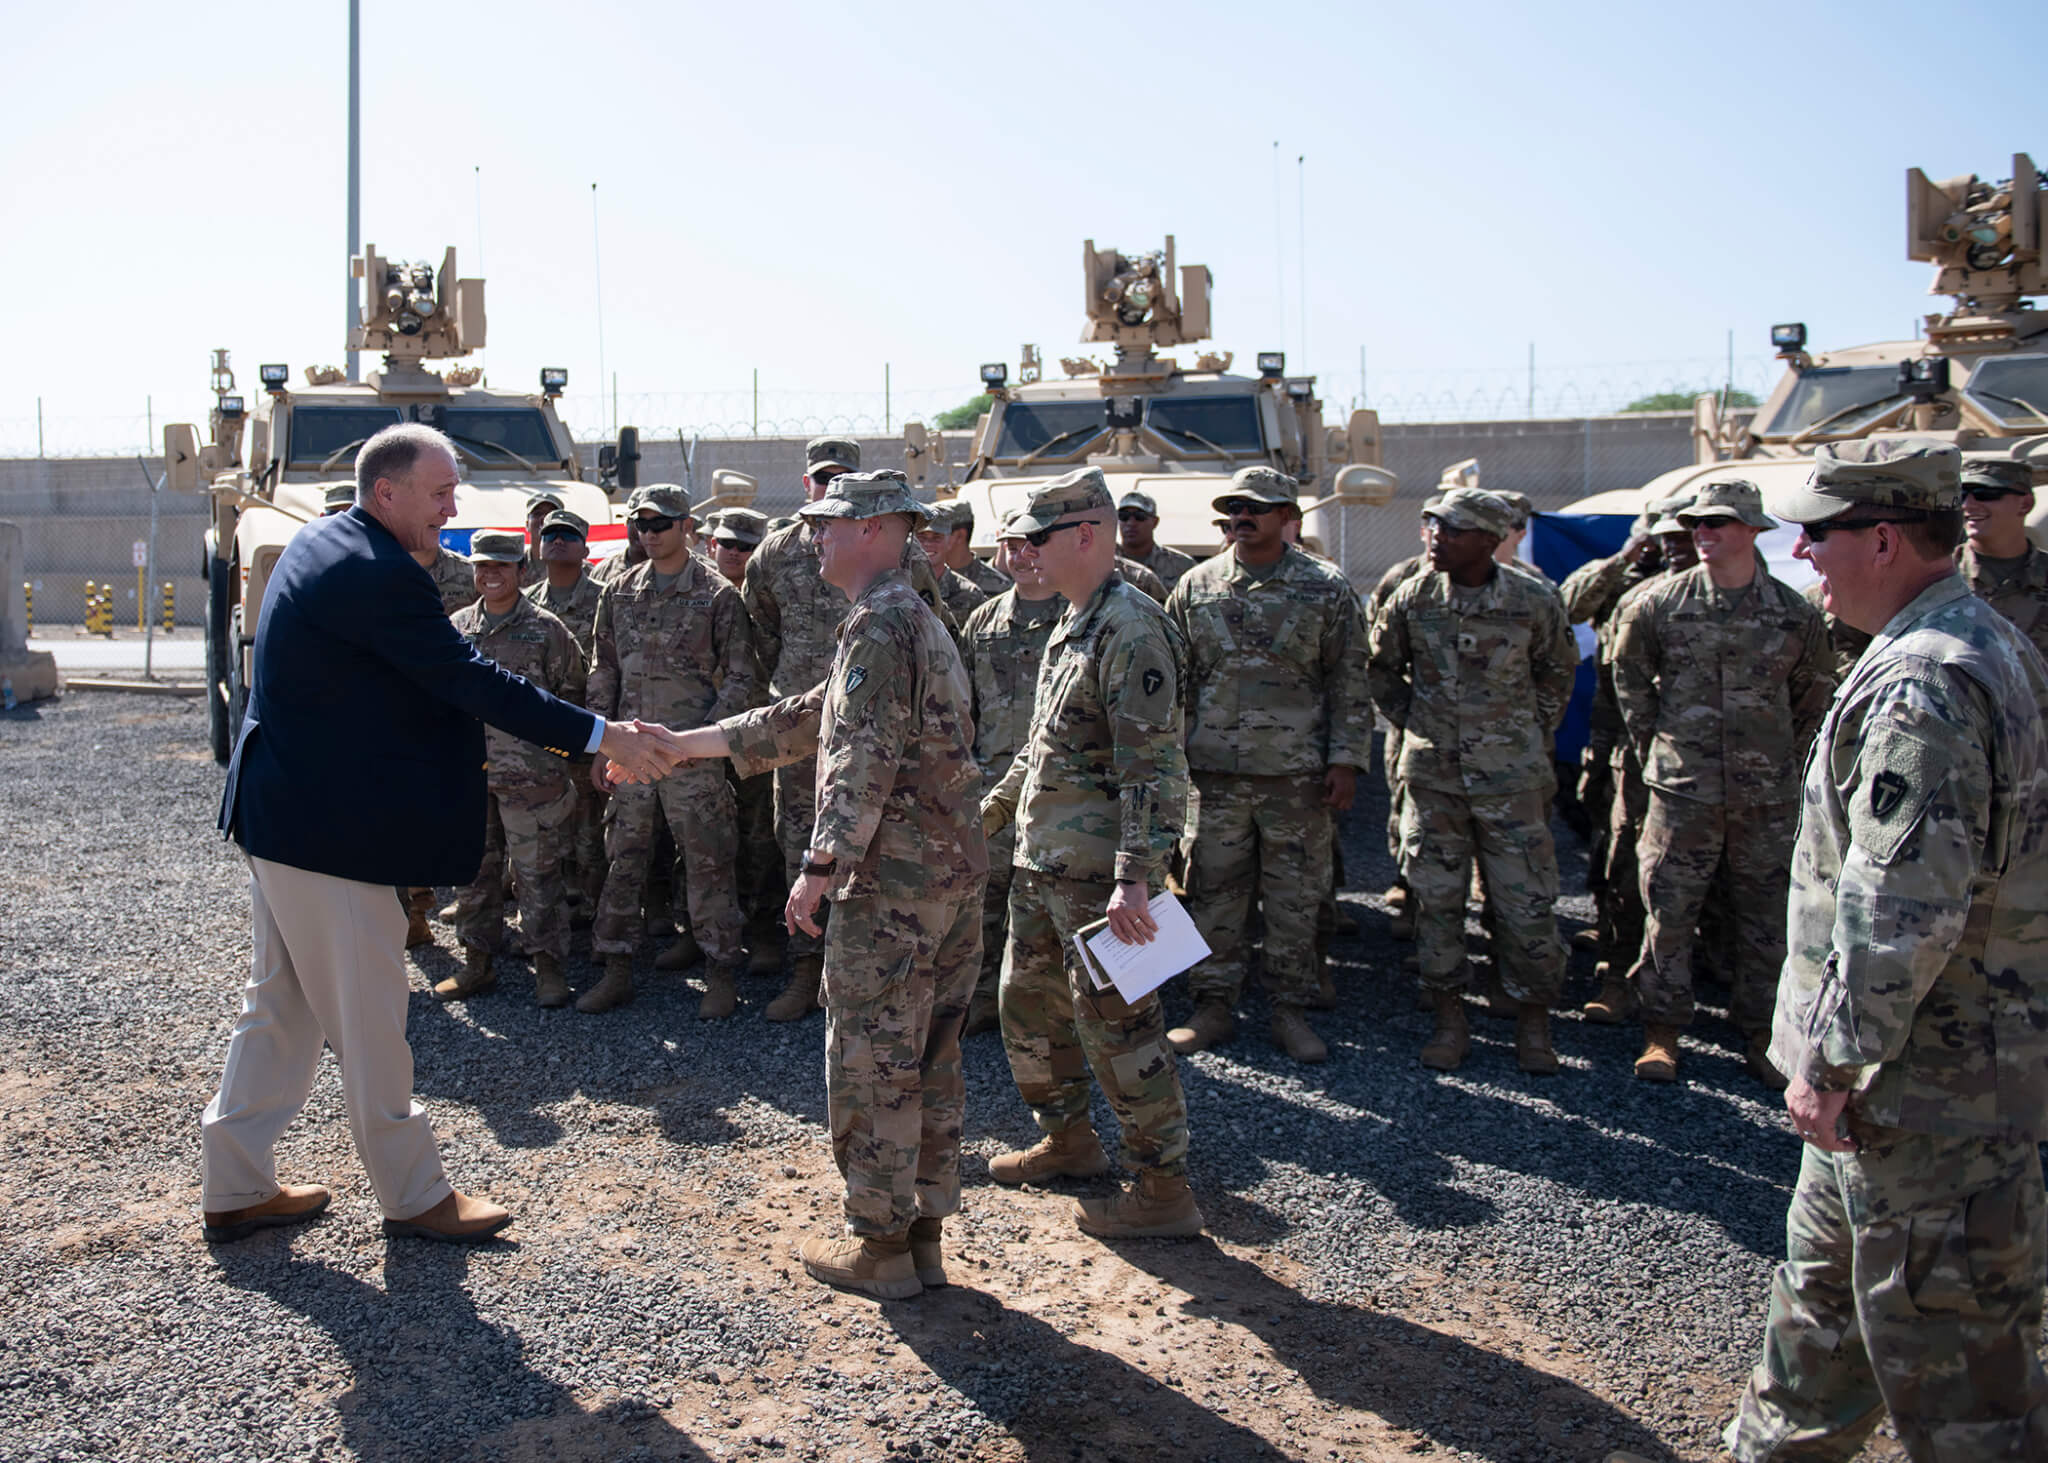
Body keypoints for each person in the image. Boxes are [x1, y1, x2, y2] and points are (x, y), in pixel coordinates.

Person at [200, 422, 673, 1245]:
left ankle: (236, 1180)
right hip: (327, 832)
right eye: (441, 494)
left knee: (280, 1003)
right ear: (387, 492)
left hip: (287, 811)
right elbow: (470, 679)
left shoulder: (327, 541)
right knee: (371, 1012)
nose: (452, 510)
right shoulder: (373, 571)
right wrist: (603, 734)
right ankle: (414, 1193)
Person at [1725, 438, 2048, 1459]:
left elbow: (1900, 906)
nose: (1799, 554)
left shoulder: (1925, 676)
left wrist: (1829, 1061)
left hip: (1921, 1094)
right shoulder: (1965, 640)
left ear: (1878, 536)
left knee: (1960, 1388)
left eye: (1813, 535)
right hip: (1889, 1098)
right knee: (1814, 1326)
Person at [639, 470, 986, 1302]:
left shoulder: (882, 622)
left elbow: (858, 759)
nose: (814, 537)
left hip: (893, 883)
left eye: (828, 524)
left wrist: (822, 863)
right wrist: (680, 744)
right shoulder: (903, 618)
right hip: (944, 876)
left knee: (871, 1058)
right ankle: (920, 1235)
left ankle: (880, 1247)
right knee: (929, 1056)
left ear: (874, 528)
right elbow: (804, 718)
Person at [981, 468, 1203, 1239]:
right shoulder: (1073, 621)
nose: (1024, 550)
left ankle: (1161, 1187)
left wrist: (1135, 879)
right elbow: (1040, 749)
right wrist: (990, 815)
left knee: (1121, 1028)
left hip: (1102, 879)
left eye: (1038, 537)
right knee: (1029, 1010)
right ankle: (1069, 1140)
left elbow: (1152, 768)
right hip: (1043, 862)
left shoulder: (1132, 628)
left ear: (1086, 534)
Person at [1610, 480, 1833, 1086]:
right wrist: (1661, 748)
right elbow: (1629, 681)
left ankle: (1762, 1032)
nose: (1703, 534)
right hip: (1683, 793)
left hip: (1767, 798)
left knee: (1766, 919)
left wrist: (1780, 761)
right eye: (1698, 524)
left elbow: (1814, 695)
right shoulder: (1658, 604)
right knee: (1670, 912)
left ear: (1754, 530)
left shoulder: (1793, 613)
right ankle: (1663, 1031)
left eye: (1719, 524)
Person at [741, 437, 957, 1018]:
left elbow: (934, 633)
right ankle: (807, 972)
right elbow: (759, 634)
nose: (825, 492)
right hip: (808, 724)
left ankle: (868, 984)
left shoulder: (898, 579)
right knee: (801, 846)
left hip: (878, 733)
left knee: (866, 854)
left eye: (841, 479)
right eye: (821, 478)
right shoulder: (777, 553)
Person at [1163, 467, 1369, 1065]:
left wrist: (1347, 761)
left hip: (1296, 777)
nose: (1242, 515)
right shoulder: (1197, 586)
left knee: (1293, 898)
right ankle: (1213, 1006)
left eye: (1257, 506)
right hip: (1215, 776)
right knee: (1213, 894)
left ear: (1287, 516)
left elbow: (1350, 681)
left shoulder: (1325, 588)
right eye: (1234, 507)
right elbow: (1175, 682)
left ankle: (1289, 1009)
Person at [1367, 486, 1575, 1074]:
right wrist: (1420, 726)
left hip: (1512, 782)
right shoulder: (1412, 597)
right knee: (1437, 901)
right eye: (1432, 525)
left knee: (1527, 901)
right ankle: (1449, 1017)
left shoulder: (1533, 599)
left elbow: (1558, 672)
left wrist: (1522, 733)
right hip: (1434, 779)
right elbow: (1381, 669)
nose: (1437, 538)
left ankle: (1534, 1022)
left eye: (1453, 530)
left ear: (1489, 539)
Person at [580, 484, 756, 1019]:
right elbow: (603, 668)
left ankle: (721, 971)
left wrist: (700, 744)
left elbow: (742, 678)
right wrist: (598, 743)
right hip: (630, 753)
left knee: (708, 864)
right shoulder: (621, 592)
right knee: (623, 862)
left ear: (686, 527)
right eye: (642, 524)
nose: (650, 534)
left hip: (691, 755)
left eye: (661, 524)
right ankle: (615, 969)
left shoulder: (718, 595)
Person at [436, 531, 586, 1008]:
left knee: (537, 877)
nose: (490, 575)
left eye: (501, 566)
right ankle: (477, 963)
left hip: (531, 781)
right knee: (474, 874)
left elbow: (572, 695)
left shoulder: (547, 629)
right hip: (469, 775)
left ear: (523, 572)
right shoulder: (456, 630)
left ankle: (549, 968)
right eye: (482, 566)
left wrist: (554, 758)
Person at [1580, 497, 1697, 1024]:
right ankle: (1619, 968)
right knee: (1626, 865)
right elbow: (1573, 609)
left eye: (1682, 534)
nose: (1670, 546)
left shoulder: (1756, 596)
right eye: (1661, 536)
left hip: (1722, 767)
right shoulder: (1636, 592)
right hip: (1636, 754)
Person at [956, 531, 1063, 1037]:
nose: (1021, 557)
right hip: (994, 785)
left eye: (1033, 544)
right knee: (984, 899)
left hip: (1062, 792)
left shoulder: (1080, 616)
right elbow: (963, 708)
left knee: (1052, 903)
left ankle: (1048, 1009)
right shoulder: (983, 620)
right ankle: (982, 999)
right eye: (1011, 545)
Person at [523, 508, 605, 919]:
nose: (557, 540)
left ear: (585, 548)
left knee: (589, 830)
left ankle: (591, 914)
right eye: (550, 534)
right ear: (537, 546)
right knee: (545, 830)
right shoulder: (526, 604)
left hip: (586, 729)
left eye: (568, 535)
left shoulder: (606, 597)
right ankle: (548, 915)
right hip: (537, 734)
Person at [1953, 455, 2048, 659]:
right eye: (1961, 495)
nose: (1968, 504)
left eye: (1985, 493)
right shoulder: (1933, 575)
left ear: (2025, 504)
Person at [917, 502, 992, 623]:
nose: (928, 544)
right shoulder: (901, 586)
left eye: (937, 537)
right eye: (922, 537)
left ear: (949, 542)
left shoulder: (970, 594)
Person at [1115, 490, 1198, 595]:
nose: (1131, 523)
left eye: (1139, 516)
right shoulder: (1104, 562)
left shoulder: (1181, 565)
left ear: (1155, 522)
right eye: (1124, 516)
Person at [930, 498, 1012, 595]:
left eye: (936, 535)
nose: (926, 542)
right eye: (923, 535)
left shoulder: (999, 587)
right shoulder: (918, 579)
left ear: (959, 536)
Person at [709, 507, 768, 589]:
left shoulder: (767, 596)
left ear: (757, 551)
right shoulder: (692, 587)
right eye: (727, 543)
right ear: (714, 544)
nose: (733, 552)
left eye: (743, 546)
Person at [519, 490, 566, 588]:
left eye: (551, 514)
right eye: (537, 513)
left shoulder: (577, 566)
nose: (544, 518)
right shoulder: (513, 566)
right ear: (527, 524)